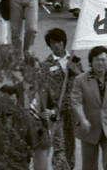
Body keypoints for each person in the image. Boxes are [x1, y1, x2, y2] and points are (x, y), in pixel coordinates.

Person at [71, 45, 107, 170]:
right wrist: (82, 120)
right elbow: (76, 102)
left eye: (103, 59)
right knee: (89, 166)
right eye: (97, 60)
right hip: (89, 129)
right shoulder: (80, 80)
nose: (100, 63)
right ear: (91, 62)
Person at [37, 27, 83, 170]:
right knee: (58, 145)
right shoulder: (46, 65)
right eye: (52, 43)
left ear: (64, 42)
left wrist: (75, 71)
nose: (56, 46)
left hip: (72, 109)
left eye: (58, 42)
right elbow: (43, 90)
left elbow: (84, 82)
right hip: (56, 111)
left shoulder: (74, 61)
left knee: (70, 144)